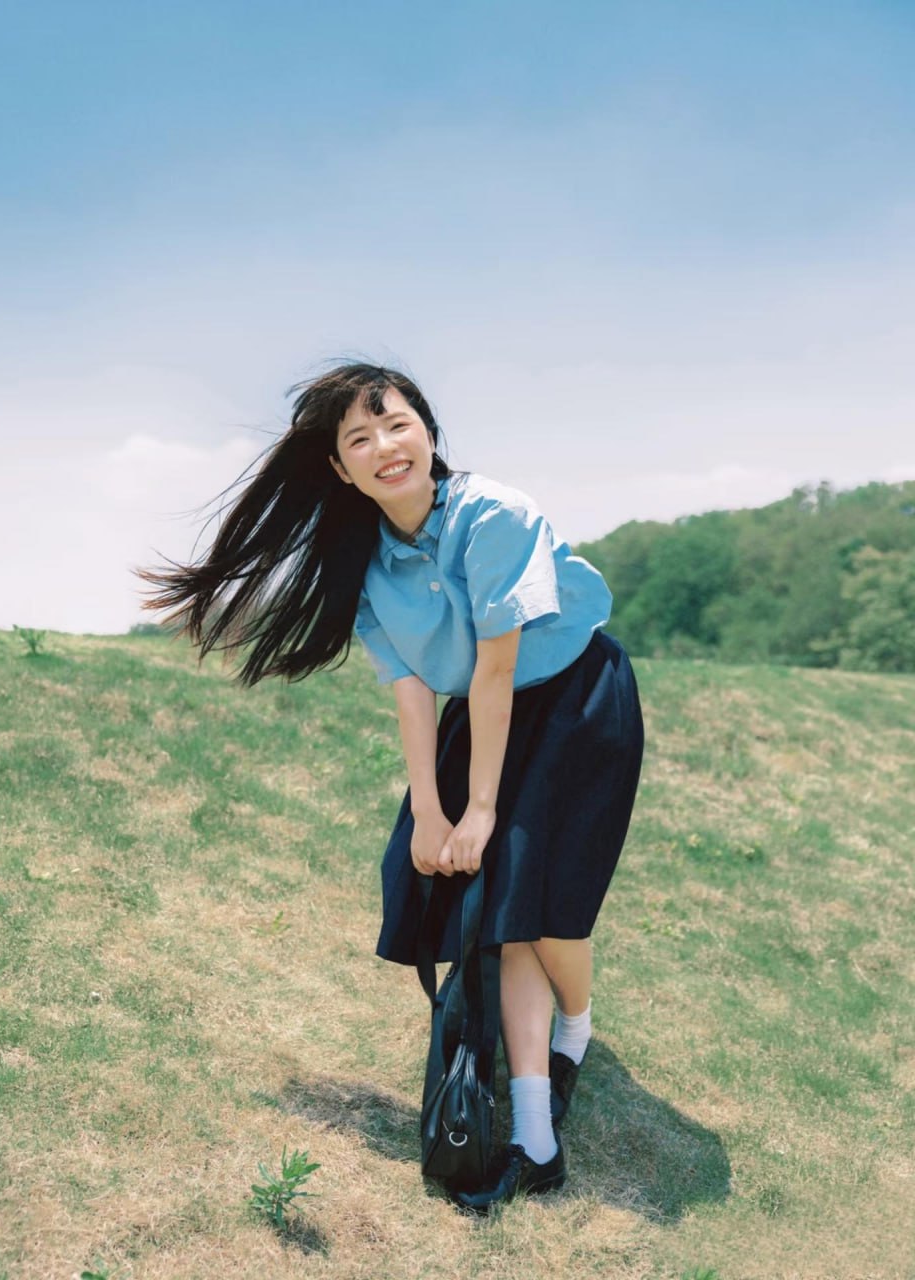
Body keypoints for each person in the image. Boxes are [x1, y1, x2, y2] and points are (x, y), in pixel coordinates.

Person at [139, 361, 644, 1211]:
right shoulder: (364, 566)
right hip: (481, 713)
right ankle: (534, 1134)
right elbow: (414, 693)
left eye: (397, 423)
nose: (384, 446)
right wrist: (431, 814)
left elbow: (497, 667)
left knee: (551, 910)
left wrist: (479, 809)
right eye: (360, 438)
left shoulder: (494, 515)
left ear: (430, 433)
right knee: (503, 913)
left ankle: (577, 1022)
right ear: (341, 469)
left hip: (573, 700)